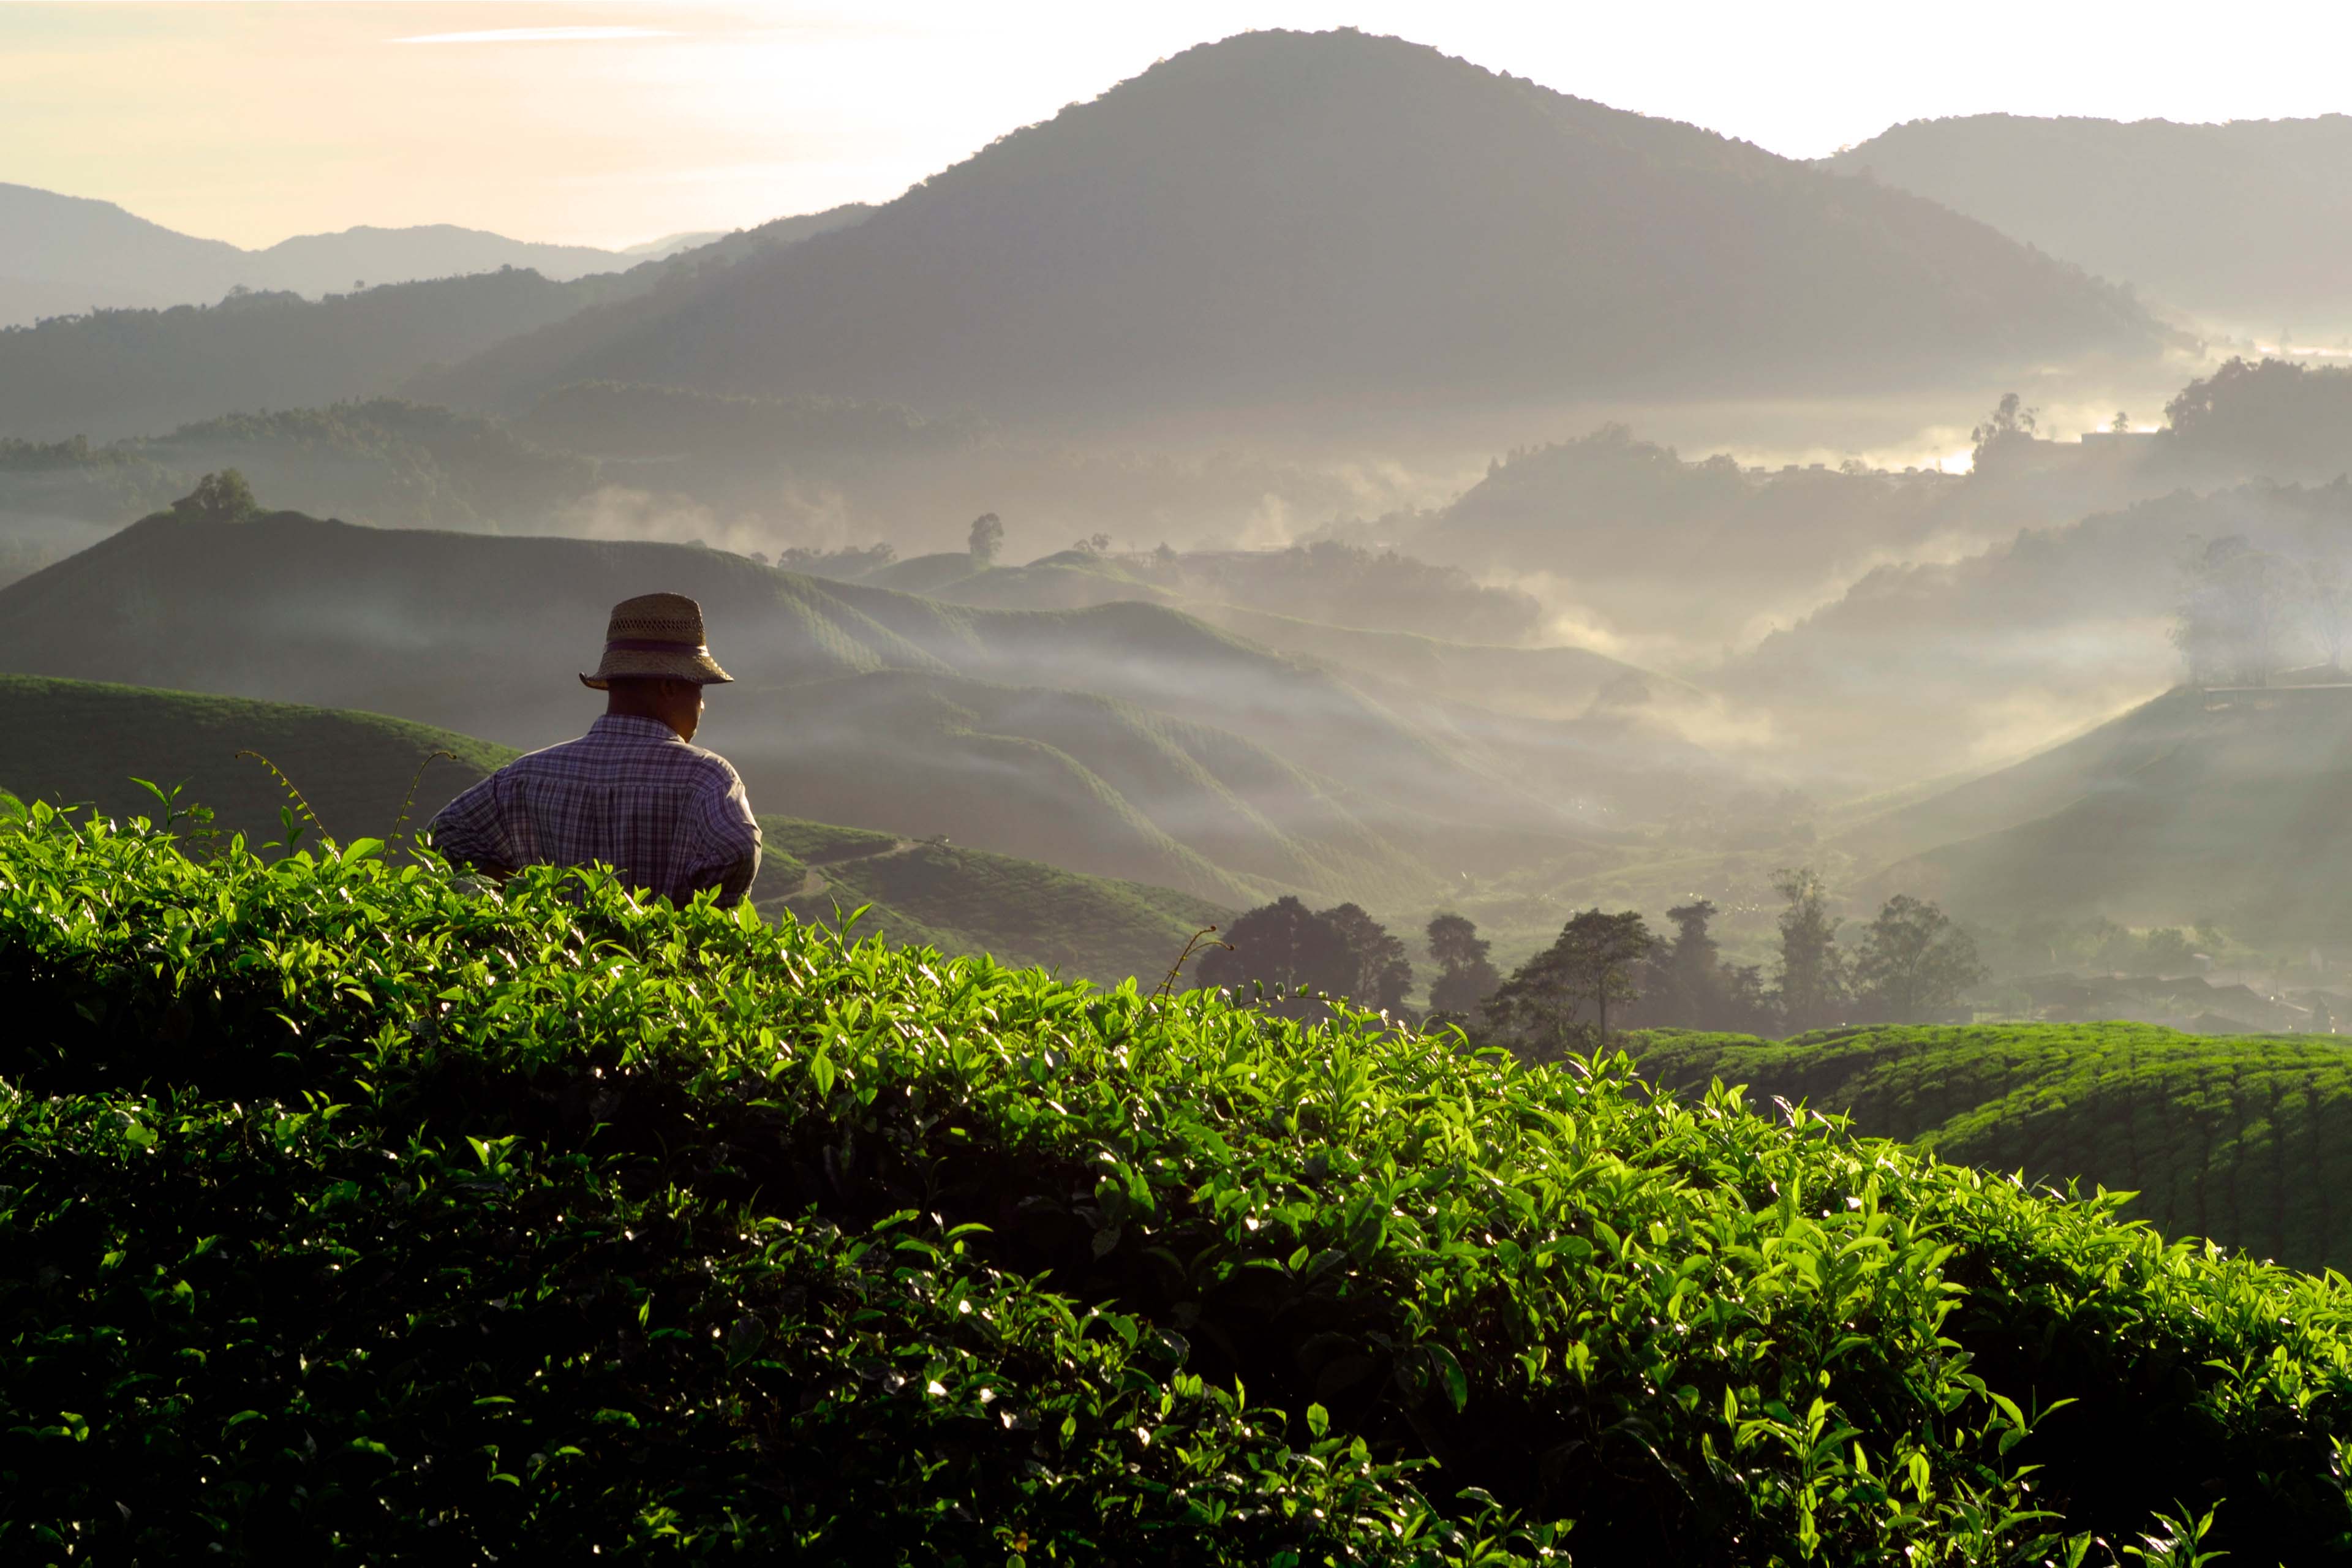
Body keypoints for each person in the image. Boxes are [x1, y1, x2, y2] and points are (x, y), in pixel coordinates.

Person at [428, 592, 762, 905]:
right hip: (662, 965)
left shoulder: (525, 777)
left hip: (551, 964)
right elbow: (737, 849)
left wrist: (528, 897)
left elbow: (444, 836)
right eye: (699, 689)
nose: (702, 706)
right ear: (669, 686)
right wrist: (688, 918)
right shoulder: (706, 780)